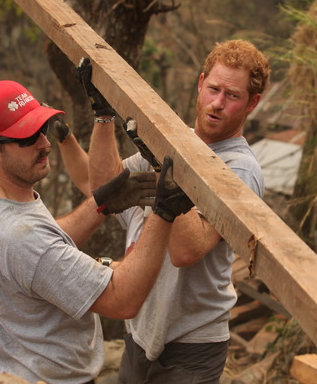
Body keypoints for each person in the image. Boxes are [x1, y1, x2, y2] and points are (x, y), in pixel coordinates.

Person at [0, 80, 194, 384]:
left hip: (13, 368)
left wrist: (99, 205)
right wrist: (163, 213)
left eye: (41, 129)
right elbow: (122, 299)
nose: (44, 144)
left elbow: (40, 246)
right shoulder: (23, 240)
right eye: (27, 137)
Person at [83, 39, 269, 383]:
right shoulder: (174, 141)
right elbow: (104, 189)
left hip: (191, 346)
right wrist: (103, 116)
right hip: (140, 329)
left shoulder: (239, 168)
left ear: (252, 103)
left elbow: (187, 251)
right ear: (200, 84)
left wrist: (159, 162)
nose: (217, 103)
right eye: (213, 89)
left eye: (233, 96)